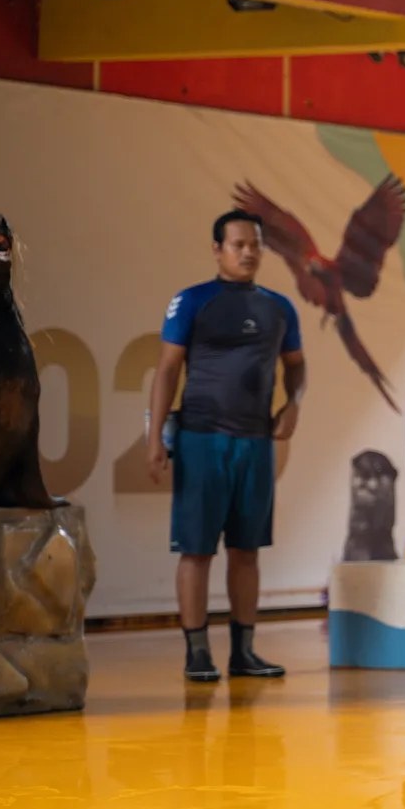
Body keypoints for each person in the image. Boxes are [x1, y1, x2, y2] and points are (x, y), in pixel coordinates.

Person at [147, 209, 306, 683]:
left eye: (255, 244)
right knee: (196, 550)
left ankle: (244, 651)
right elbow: (167, 370)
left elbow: (296, 366)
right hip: (201, 440)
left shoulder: (280, 308)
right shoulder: (193, 301)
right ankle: (197, 652)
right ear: (217, 249)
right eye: (238, 244)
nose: (248, 252)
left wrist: (294, 402)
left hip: (255, 442)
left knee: (247, 550)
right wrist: (155, 435)